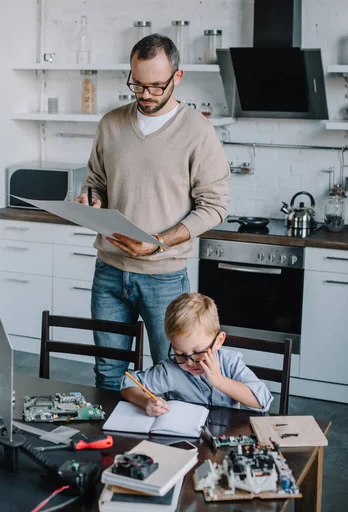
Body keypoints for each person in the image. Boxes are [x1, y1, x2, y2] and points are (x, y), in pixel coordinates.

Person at [76, 33, 230, 390]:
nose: (145, 95)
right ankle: (113, 446)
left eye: (156, 86)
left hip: (165, 277)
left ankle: (165, 446)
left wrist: (158, 242)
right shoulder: (111, 124)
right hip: (110, 272)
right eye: (137, 84)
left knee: (173, 374)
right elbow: (95, 180)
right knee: (109, 374)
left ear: (177, 77)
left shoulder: (199, 132)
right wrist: (91, 198)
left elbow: (215, 206)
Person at [121, 293, 273, 414]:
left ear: (219, 341)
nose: (188, 362)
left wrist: (219, 380)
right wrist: (145, 401)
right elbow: (128, 383)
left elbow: (263, 401)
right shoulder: (170, 370)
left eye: (198, 352)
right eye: (179, 353)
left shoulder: (230, 363)